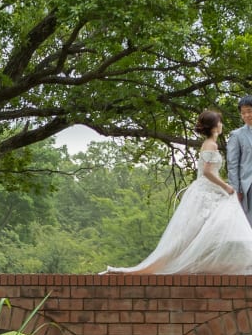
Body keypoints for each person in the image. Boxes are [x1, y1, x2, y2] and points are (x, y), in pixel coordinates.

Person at [101, 109, 252, 275]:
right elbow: (208, 173)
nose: (222, 125)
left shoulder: (210, 144)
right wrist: (226, 186)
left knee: (211, 229)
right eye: (220, 122)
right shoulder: (211, 145)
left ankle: (209, 263)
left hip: (210, 190)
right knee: (200, 230)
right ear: (215, 127)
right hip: (207, 191)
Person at [226, 94, 252, 226]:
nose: (247, 115)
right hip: (249, 185)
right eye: (243, 113)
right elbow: (232, 164)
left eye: (250, 111)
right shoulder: (237, 135)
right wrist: (236, 189)